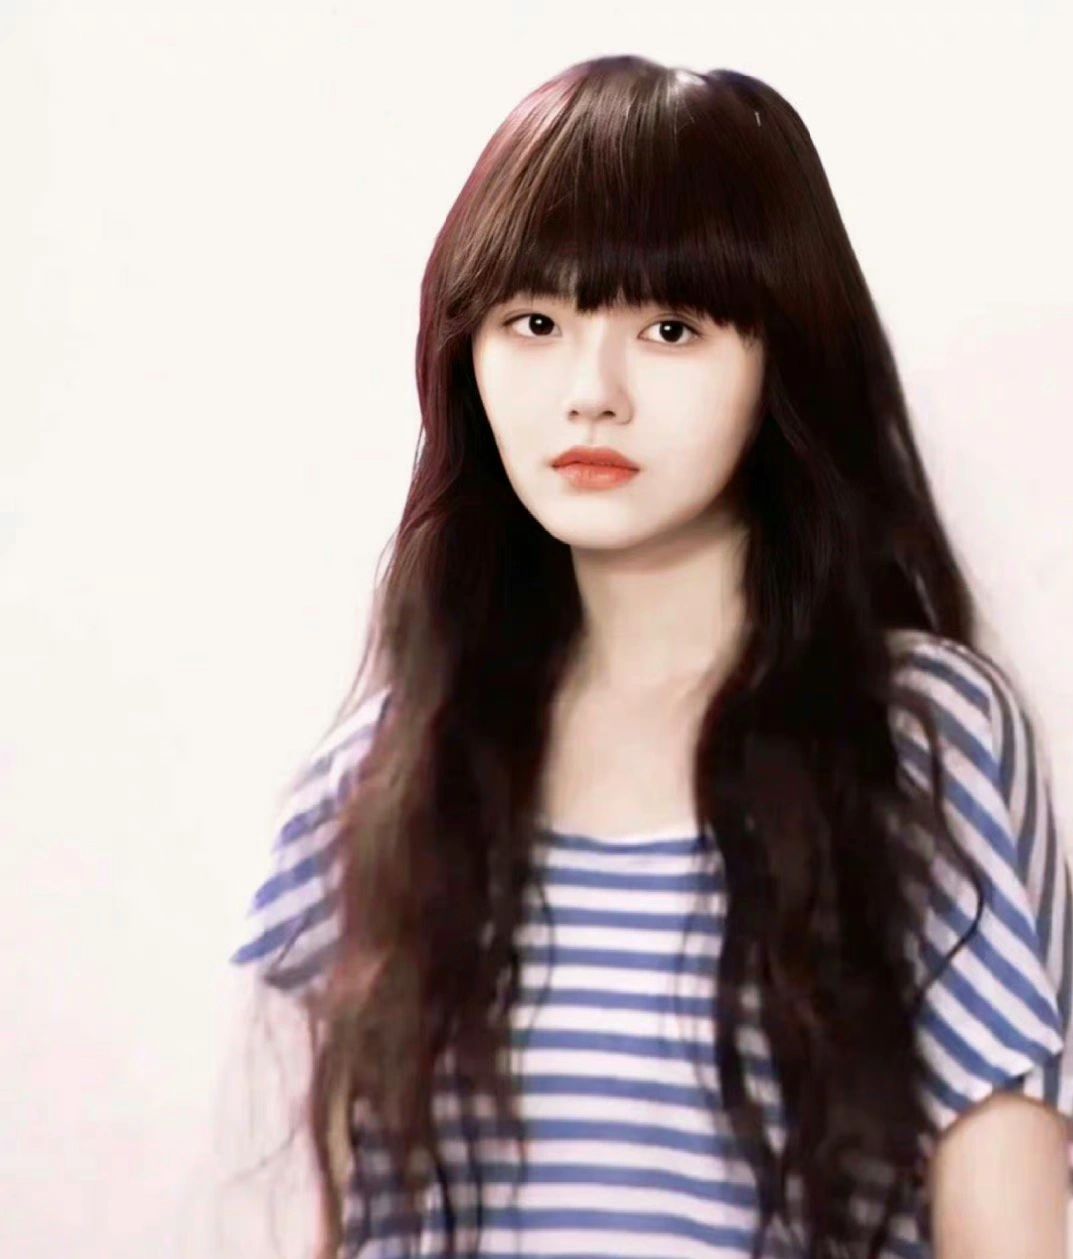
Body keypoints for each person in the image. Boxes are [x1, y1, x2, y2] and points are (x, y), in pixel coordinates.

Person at [229, 55, 1072, 1259]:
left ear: (782, 360)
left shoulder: (919, 739)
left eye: (669, 327)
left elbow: (1005, 1233)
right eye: (534, 323)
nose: (591, 391)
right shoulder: (371, 784)